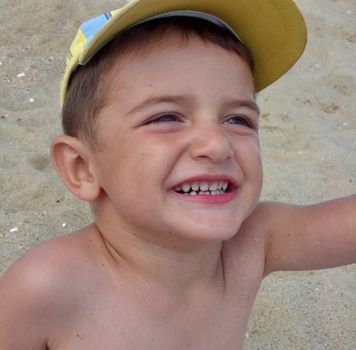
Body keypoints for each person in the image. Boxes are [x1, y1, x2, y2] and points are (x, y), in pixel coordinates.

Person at [0, 0, 355, 349]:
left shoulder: (251, 244)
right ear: (82, 168)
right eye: (166, 117)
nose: (218, 143)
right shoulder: (44, 288)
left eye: (238, 119)